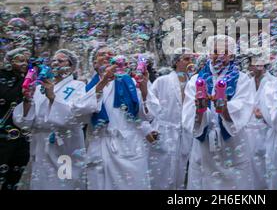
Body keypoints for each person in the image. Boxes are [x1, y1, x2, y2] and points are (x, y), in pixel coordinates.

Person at [75, 44, 159, 190]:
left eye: (111, 54)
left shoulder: (132, 82)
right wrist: (102, 82)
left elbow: (149, 114)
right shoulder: (86, 86)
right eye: (102, 54)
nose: (107, 56)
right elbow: (80, 112)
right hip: (100, 147)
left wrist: (145, 91)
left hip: (128, 147)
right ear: (94, 63)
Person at [182, 35, 255, 189]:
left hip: (233, 148)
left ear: (232, 55)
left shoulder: (242, 80)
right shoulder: (196, 80)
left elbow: (243, 109)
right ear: (208, 53)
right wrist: (199, 110)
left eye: (226, 51)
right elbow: (188, 115)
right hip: (204, 148)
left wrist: (225, 109)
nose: (220, 55)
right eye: (215, 51)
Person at [13, 49, 91, 190]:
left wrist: (52, 96)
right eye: (53, 61)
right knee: (41, 183)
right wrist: (27, 99)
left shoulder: (78, 86)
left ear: (72, 67)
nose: (55, 63)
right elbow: (25, 122)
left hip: (65, 145)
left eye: (60, 61)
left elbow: (75, 117)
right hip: (41, 143)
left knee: (65, 181)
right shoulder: (39, 87)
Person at [148, 48, 194, 189]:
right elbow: (149, 107)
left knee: (180, 173)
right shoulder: (162, 81)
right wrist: (151, 129)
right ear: (176, 62)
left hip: (184, 133)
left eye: (191, 59)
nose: (190, 62)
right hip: (164, 131)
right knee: (160, 172)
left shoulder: (193, 83)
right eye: (186, 59)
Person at [0, 48, 31, 190]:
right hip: (4, 135)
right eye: (20, 60)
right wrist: (25, 80)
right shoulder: (3, 76)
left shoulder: (30, 79)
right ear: (9, 62)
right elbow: (9, 97)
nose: (25, 63)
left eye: (26, 61)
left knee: (15, 175)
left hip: (22, 134)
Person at [243, 51, 273, 190]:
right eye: (254, 62)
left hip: (266, 130)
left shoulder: (273, 81)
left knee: (264, 169)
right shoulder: (246, 82)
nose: (257, 65)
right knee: (249, 169)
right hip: (248, 132)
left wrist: (264, 114)